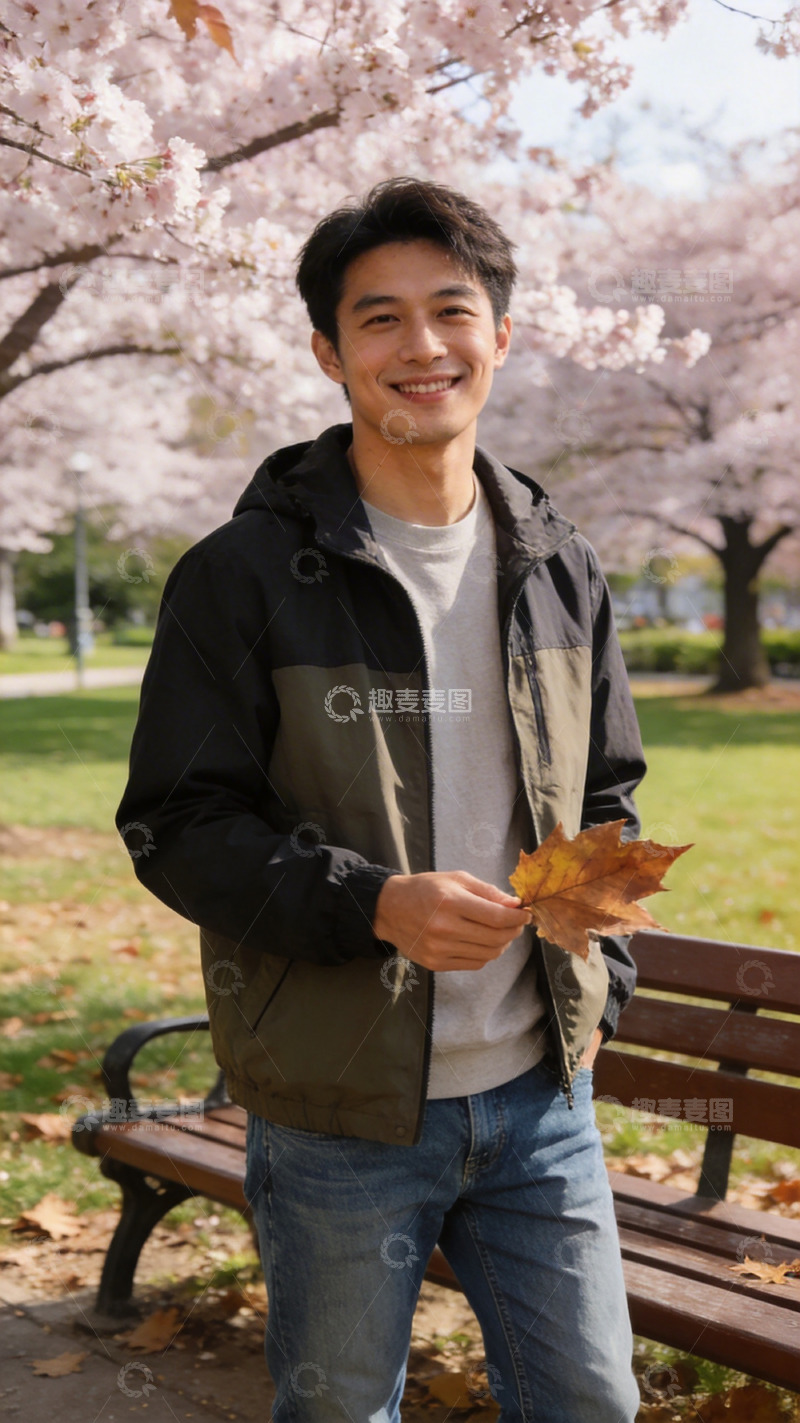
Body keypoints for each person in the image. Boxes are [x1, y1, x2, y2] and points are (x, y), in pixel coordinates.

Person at [116, 176, 646, 1422]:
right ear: (328, 351)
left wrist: (598, 984)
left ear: (499, 335)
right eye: (379, 318)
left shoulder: (559, 564)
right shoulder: (242, 576)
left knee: (593, 1404)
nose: (422, 347)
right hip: (336, 1111)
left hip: (542, 1097)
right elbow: (177, 824)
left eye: (450, 311)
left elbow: (606, 794)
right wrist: (370, 903)